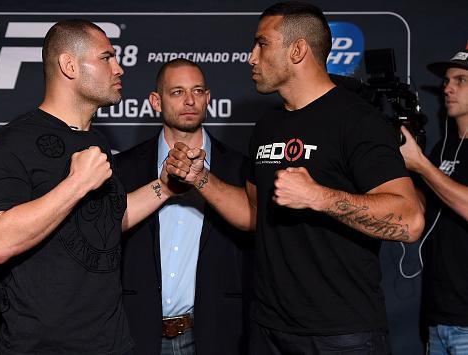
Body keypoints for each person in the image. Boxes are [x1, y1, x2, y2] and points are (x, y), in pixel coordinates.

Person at [165, 2, 425, 353]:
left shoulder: (357, 120)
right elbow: (254, 214)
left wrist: (319, 197)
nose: (251, 58)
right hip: (269, 328)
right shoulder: (268, 125)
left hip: (340, 334)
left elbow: (409, 221)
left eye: (262, 44)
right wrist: (201, 179)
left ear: (298, 49)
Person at [0, 20, 176, 355]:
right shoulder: (10, 143)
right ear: (69, 65)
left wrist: (166, 188)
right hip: (43, 348)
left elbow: (108, 222)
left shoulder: (95, 139)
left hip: (111, 343)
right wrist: (77, 184)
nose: (119, 67)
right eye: (106, 57)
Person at [116, 59, 253, 355]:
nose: (190, 100)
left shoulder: (240, 168)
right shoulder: (123, 168)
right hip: (137, 333)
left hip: (216, 334)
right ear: (156, 101)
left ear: (208, 98)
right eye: (177, 92)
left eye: (198, 91)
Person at [399, 48, 468, 354]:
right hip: (437, 315)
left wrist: (421, 166)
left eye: (461, 81)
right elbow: (423, 208)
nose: (447, 88)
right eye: (447, 81)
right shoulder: (444, 145)